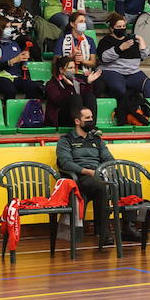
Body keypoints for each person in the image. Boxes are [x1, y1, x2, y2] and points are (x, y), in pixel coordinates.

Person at [57, 106, 135, 247]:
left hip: (99, 174)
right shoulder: (66, 140)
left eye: (92, 118)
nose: (91, 121)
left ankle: (128, 226)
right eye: (87, 118)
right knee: (102, 187)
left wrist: (105, 170)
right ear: (77, 121)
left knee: (129, 183)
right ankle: (105, 234)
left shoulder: (97, 139)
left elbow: (109, 158)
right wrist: (87, 171)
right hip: (80, 177)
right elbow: (65, 163)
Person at [98, 11, 150, 121]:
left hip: (133, 72)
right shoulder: (105, 41)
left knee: (148, 84)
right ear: (112, 28)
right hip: (113, 71)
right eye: (118, 26)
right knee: (119, 89)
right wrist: (120, 48)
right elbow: (104, 58)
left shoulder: (131, 39)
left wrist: (141, 40)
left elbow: (144, 55)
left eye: (123, 26)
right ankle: (123, 116)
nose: (122, 28)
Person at [0, 15, 44, 100]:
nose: (9, 30)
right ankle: (6, 110)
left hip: (14, 76)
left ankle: (26, 110)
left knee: (34, 87)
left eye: (10, 27)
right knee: (10, 90)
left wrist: (24, 59)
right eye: (6, 27)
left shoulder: (14, 43)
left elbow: (21, 65)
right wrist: (14, 60)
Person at [45, 54, 99, 128]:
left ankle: (91, 126)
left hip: (75, 114)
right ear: (61, 70)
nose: (73, 70)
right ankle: (79, 126)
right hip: (60, 117)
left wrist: (89, 83)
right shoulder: (51, 84)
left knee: (90, 97)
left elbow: (84, 97)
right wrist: (69, 87)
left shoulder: (76, 81)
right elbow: (59, 101)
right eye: (70, 68)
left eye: (74, 67)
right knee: (75, 98)